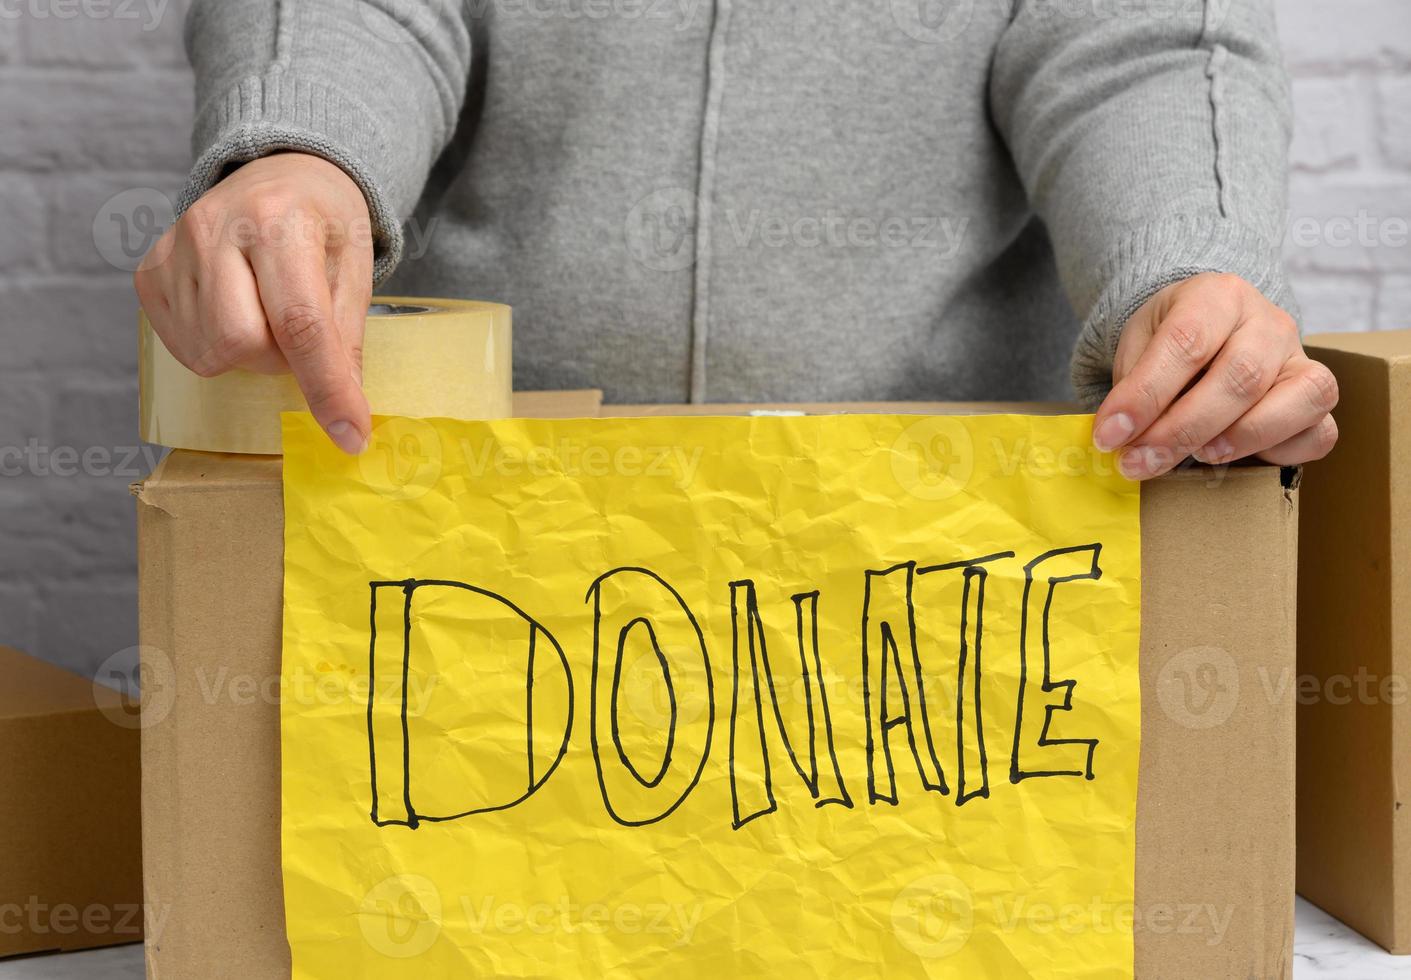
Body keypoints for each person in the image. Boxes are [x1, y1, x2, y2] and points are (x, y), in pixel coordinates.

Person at [135, 0, 1338, 478]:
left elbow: (1139, 41)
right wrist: (300, 152)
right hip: (458, 540)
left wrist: (1189, 265)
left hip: (948, 565)